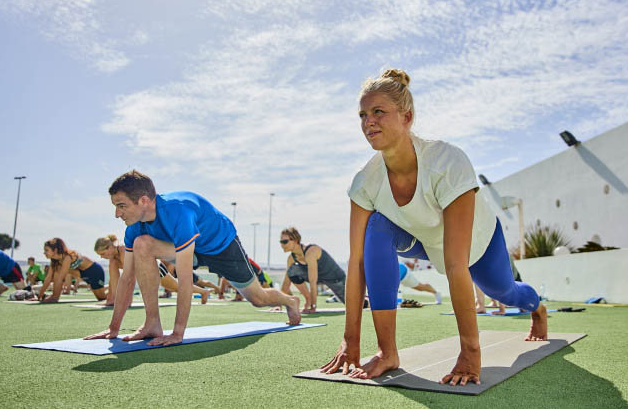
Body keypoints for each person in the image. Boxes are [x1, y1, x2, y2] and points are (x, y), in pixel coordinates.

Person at [321, 69, 547, 386]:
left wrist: (470, 351)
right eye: (362, 115)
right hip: (425, 239)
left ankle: (537, 308)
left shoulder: (446, 162)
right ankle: (387, 352)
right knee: (377, 228)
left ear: (407, 117)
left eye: (378, 112)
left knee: (504, 292)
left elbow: (457, 263)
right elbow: (356, 263)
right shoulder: (364, 183)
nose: (368, 122)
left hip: (477, 241)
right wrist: (350, 340)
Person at [85, 170, 300, 346]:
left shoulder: (178, 212)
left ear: (143, 201)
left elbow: (185, 279)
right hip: (187, 248)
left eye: (121, 206)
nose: (117, 214)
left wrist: (178, 332)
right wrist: (114, 328)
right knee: (143, 244)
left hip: (222, 246)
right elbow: (127, 278)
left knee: (258, 299)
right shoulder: (134, 229)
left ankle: (290, 300)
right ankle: (152, 322)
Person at [94, 235, 212, 306]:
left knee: (176, 287)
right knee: (175, 287)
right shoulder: (113, 260)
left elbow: (130, 278)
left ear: (110, 247)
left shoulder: (124, 252)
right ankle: (203, 292)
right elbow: (113, 281)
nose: (102, 257)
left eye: (103, 253)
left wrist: (127, 301)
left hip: (155, 267)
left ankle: (203, 292)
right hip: (145, 271)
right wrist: (110, 299)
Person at [280, 227, 346, 313]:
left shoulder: (311, 252)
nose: (282, 245)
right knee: (292, 271)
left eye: (284, 242)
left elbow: (312, 282)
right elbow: (286, 282)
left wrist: (313, 307)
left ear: (295, 240)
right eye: (281, 242)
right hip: (319, 278)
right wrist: (278, 305)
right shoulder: (291, 258)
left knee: (356, 304)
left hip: (335, 279)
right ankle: (308, 299)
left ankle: (365, 300)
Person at [35, 238, 107, 303]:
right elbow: (48, 278)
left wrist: (54, 298)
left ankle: (114, 289)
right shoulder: (55, 261)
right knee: (57, 269)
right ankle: (55, 296)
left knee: (102, 298)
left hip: (95, 271)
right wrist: (39, 297)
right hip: (83, 274)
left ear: (55, 250)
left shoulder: (67, 257)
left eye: (46, 250)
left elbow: (60, 278)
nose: (44, 253)